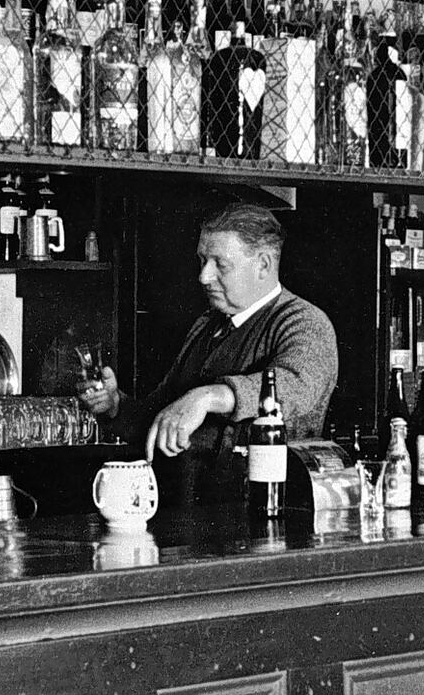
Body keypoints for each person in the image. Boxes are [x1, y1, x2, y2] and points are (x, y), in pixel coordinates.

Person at [79, 202, 338, 504]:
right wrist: (115, 406)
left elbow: (296, 386)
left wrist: (207, 397)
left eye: (220, 264)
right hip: (188, 511)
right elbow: (162, 415)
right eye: (203, 260)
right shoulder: (207, 325)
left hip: (260, 514)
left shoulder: (304, 322)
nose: (204, 276)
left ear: (264, 265)